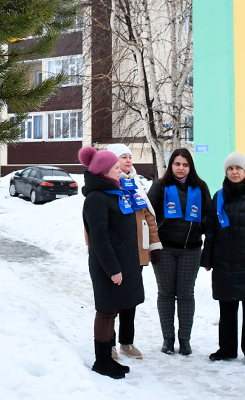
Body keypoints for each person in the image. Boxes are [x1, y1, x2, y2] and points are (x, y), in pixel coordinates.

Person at [80, 146, 144, 379]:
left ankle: (107, 359)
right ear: (105, 171)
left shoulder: (113, 193)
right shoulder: (96, 198)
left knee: (113, 310)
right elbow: (99, 237)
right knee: (106, 312)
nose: (120, 170)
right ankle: (102, 361)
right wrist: (113, 269)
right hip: (107, 265)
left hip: (120, 262)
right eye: (116, 167)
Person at [201, 152, 245, 366]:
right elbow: (211, 230)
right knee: (227, 308)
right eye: (230, 169)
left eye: (238, 168)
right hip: (224, 261)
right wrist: (207, 258)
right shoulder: (219, 196)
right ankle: (227, 349)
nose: (234, 172)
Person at [147, 148, 212, 356]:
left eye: (185, 164)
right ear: (171, 166)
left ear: (190, 166)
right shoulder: (160, 186)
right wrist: (153, 244)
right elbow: (148, 216)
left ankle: (185, 340)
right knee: (165, 294)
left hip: (190, 250)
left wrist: (200, 228)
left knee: (185, 295)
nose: (181, 168)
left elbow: (208, 216)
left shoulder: (200, 187)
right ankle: (168, 339)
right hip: (164, 249)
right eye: (177, 164)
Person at [107, 143, 162, 361]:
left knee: (131, 299)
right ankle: (108, 343)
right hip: (116, 254)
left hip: (137, 252)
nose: (129, 161)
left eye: (130, 157)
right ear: (112, 161)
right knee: (112, 301)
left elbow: (149, 216)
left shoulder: (134, 185)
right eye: (123, 157)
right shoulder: (108, 186)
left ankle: (126, 342)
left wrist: (155, 245)